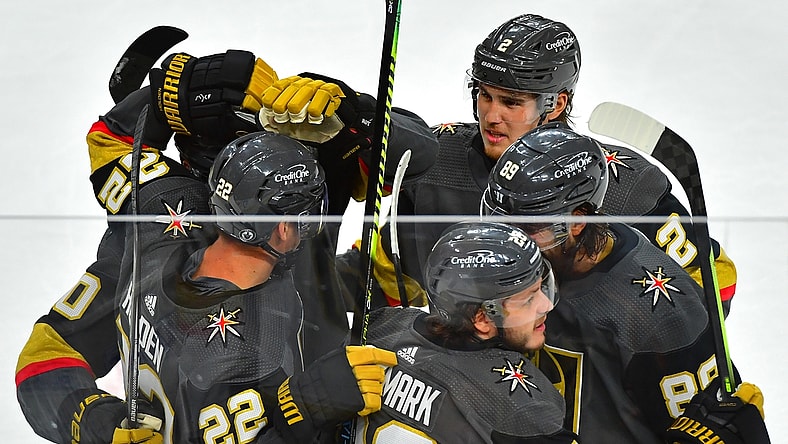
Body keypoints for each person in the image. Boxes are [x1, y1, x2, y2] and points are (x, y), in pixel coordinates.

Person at [16, 49, 435, 443]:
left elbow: (111, 140)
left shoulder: (156, 211)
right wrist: (305, 404)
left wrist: (165, 100)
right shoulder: (292, 203)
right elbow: (412, 166)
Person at [385, 13, 736, 314]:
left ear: (554, 105)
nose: (491, 116)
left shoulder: (624, 186)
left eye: (511, 102)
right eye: (485, 95)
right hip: (472, 383)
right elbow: (384, 276)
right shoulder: (437, 163)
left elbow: (711, 283)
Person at [481, 124, 770, 443]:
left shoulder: (659, 317)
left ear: (577, 222)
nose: (508, 244)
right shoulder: (526, 265)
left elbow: (713, 427)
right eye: (500, 224)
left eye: (527, 230)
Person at [355, 221, 578, 443]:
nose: (545, 305)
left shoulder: (382, 327)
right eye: (529, 298)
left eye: (542, 288)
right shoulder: (521, 406)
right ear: (482, 318)